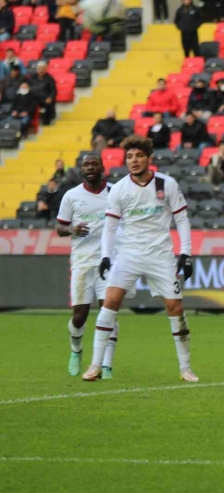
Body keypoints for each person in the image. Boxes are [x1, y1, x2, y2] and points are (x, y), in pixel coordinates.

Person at [81, 135, 198, 383]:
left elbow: (182, 220)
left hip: (160, 255)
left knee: (175, 308)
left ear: (149, 159)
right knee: (109, 303)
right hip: (128, 254)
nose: (134, 161)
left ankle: (186, 368)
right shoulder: (120, 189)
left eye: (138, 156)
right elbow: (110, 227)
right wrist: (105, 256)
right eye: (130, 157)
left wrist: (186, 253)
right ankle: (95, 365)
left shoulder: (167, 184)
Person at [56, 154, 125, 379]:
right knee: (80, 315)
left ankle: (106, 365)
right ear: (81, 169)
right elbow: (59, 228)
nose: (90, 167)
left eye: (94, 163)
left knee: (109, 311)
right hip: (82, 261)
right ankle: (76, 349)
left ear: (103, 167)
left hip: (109, 261)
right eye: (86, 164)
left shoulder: (116, 191)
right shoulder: (72, 195)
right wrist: (71, 229)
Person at [27, 61, 56, 126]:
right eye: (39, 68)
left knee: (48, 103)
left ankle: (46, 122)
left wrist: (50, 97)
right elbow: (27, 86)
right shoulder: (32, 77)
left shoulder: (50, 78)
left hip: (44, 98)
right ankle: (30, 122)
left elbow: (53, 90)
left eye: (42, 69)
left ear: (46, 69)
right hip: (33, 97)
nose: (40, 70)